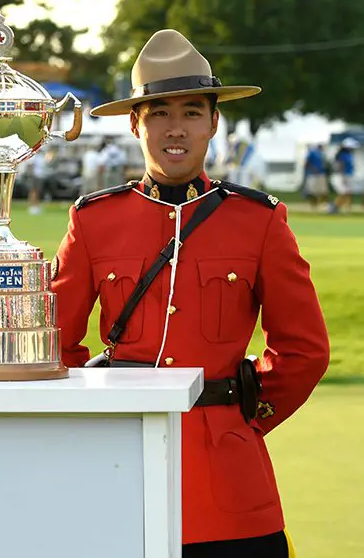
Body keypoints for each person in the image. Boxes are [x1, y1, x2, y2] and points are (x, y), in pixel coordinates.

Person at [50, 29, 329, 557]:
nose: (175, 128)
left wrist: (243, 420)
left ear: (214, 121)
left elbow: (304, 349)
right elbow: (56, 348)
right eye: (158, 112)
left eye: (192, 112)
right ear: (135, 123)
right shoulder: (93, 221)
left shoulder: (259, 221)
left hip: (229, 484)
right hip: (119, 468)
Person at [331, 137, 359, 212]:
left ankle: (348, 209)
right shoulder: (341, 155)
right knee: (343, 192)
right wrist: (342, 176)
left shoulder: (349, 154)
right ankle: (334, 207)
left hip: (348, 175)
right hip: (342, 176)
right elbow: (340, 166)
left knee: (349, 193)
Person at [302, 142, 329, 210]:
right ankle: (313, 205)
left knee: (323, 191)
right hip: (313, 174)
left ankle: (321, 204)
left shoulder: (321, 153)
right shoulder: (312, 152)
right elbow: (306, 162)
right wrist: (312, 169)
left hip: (321, 173)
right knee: (312, 191)